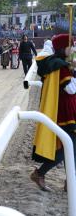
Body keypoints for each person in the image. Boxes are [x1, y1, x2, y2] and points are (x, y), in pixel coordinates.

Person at [30, 34, 76, 192]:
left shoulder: (58, 63)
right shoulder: (60, 65)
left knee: (70, 147)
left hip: (66, 109)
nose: (73, 48)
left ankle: (70, 181)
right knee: (68, 147)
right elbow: (71, 89)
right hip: (65, 112)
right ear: (64, 47)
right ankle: (41, 173)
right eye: (71, 45)